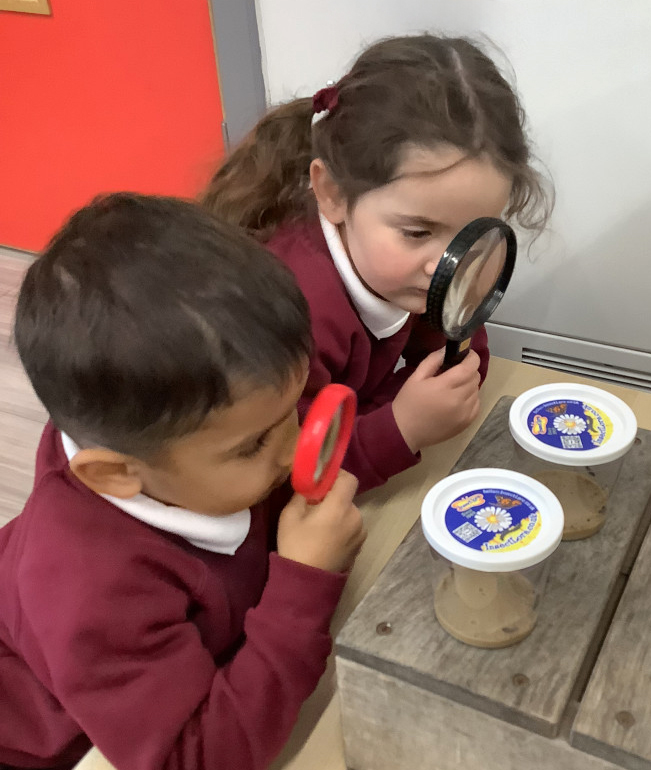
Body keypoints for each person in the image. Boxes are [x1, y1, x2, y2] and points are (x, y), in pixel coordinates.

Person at [0, 193, 365, 770]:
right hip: (32, 766)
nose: (291, 447)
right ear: (115, 474)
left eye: (295, 409)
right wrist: (304, 586)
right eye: (254, 445)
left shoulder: (202, 428)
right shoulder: (92, 590)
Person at [202, 34, 553, 492]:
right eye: (417, 232)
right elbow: (280, 472)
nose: (447, 265)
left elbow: (453, 357)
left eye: (474, 235)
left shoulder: (403, 270)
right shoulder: (294, 312)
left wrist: (444, 375)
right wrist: (400, 427)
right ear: (332, 194)